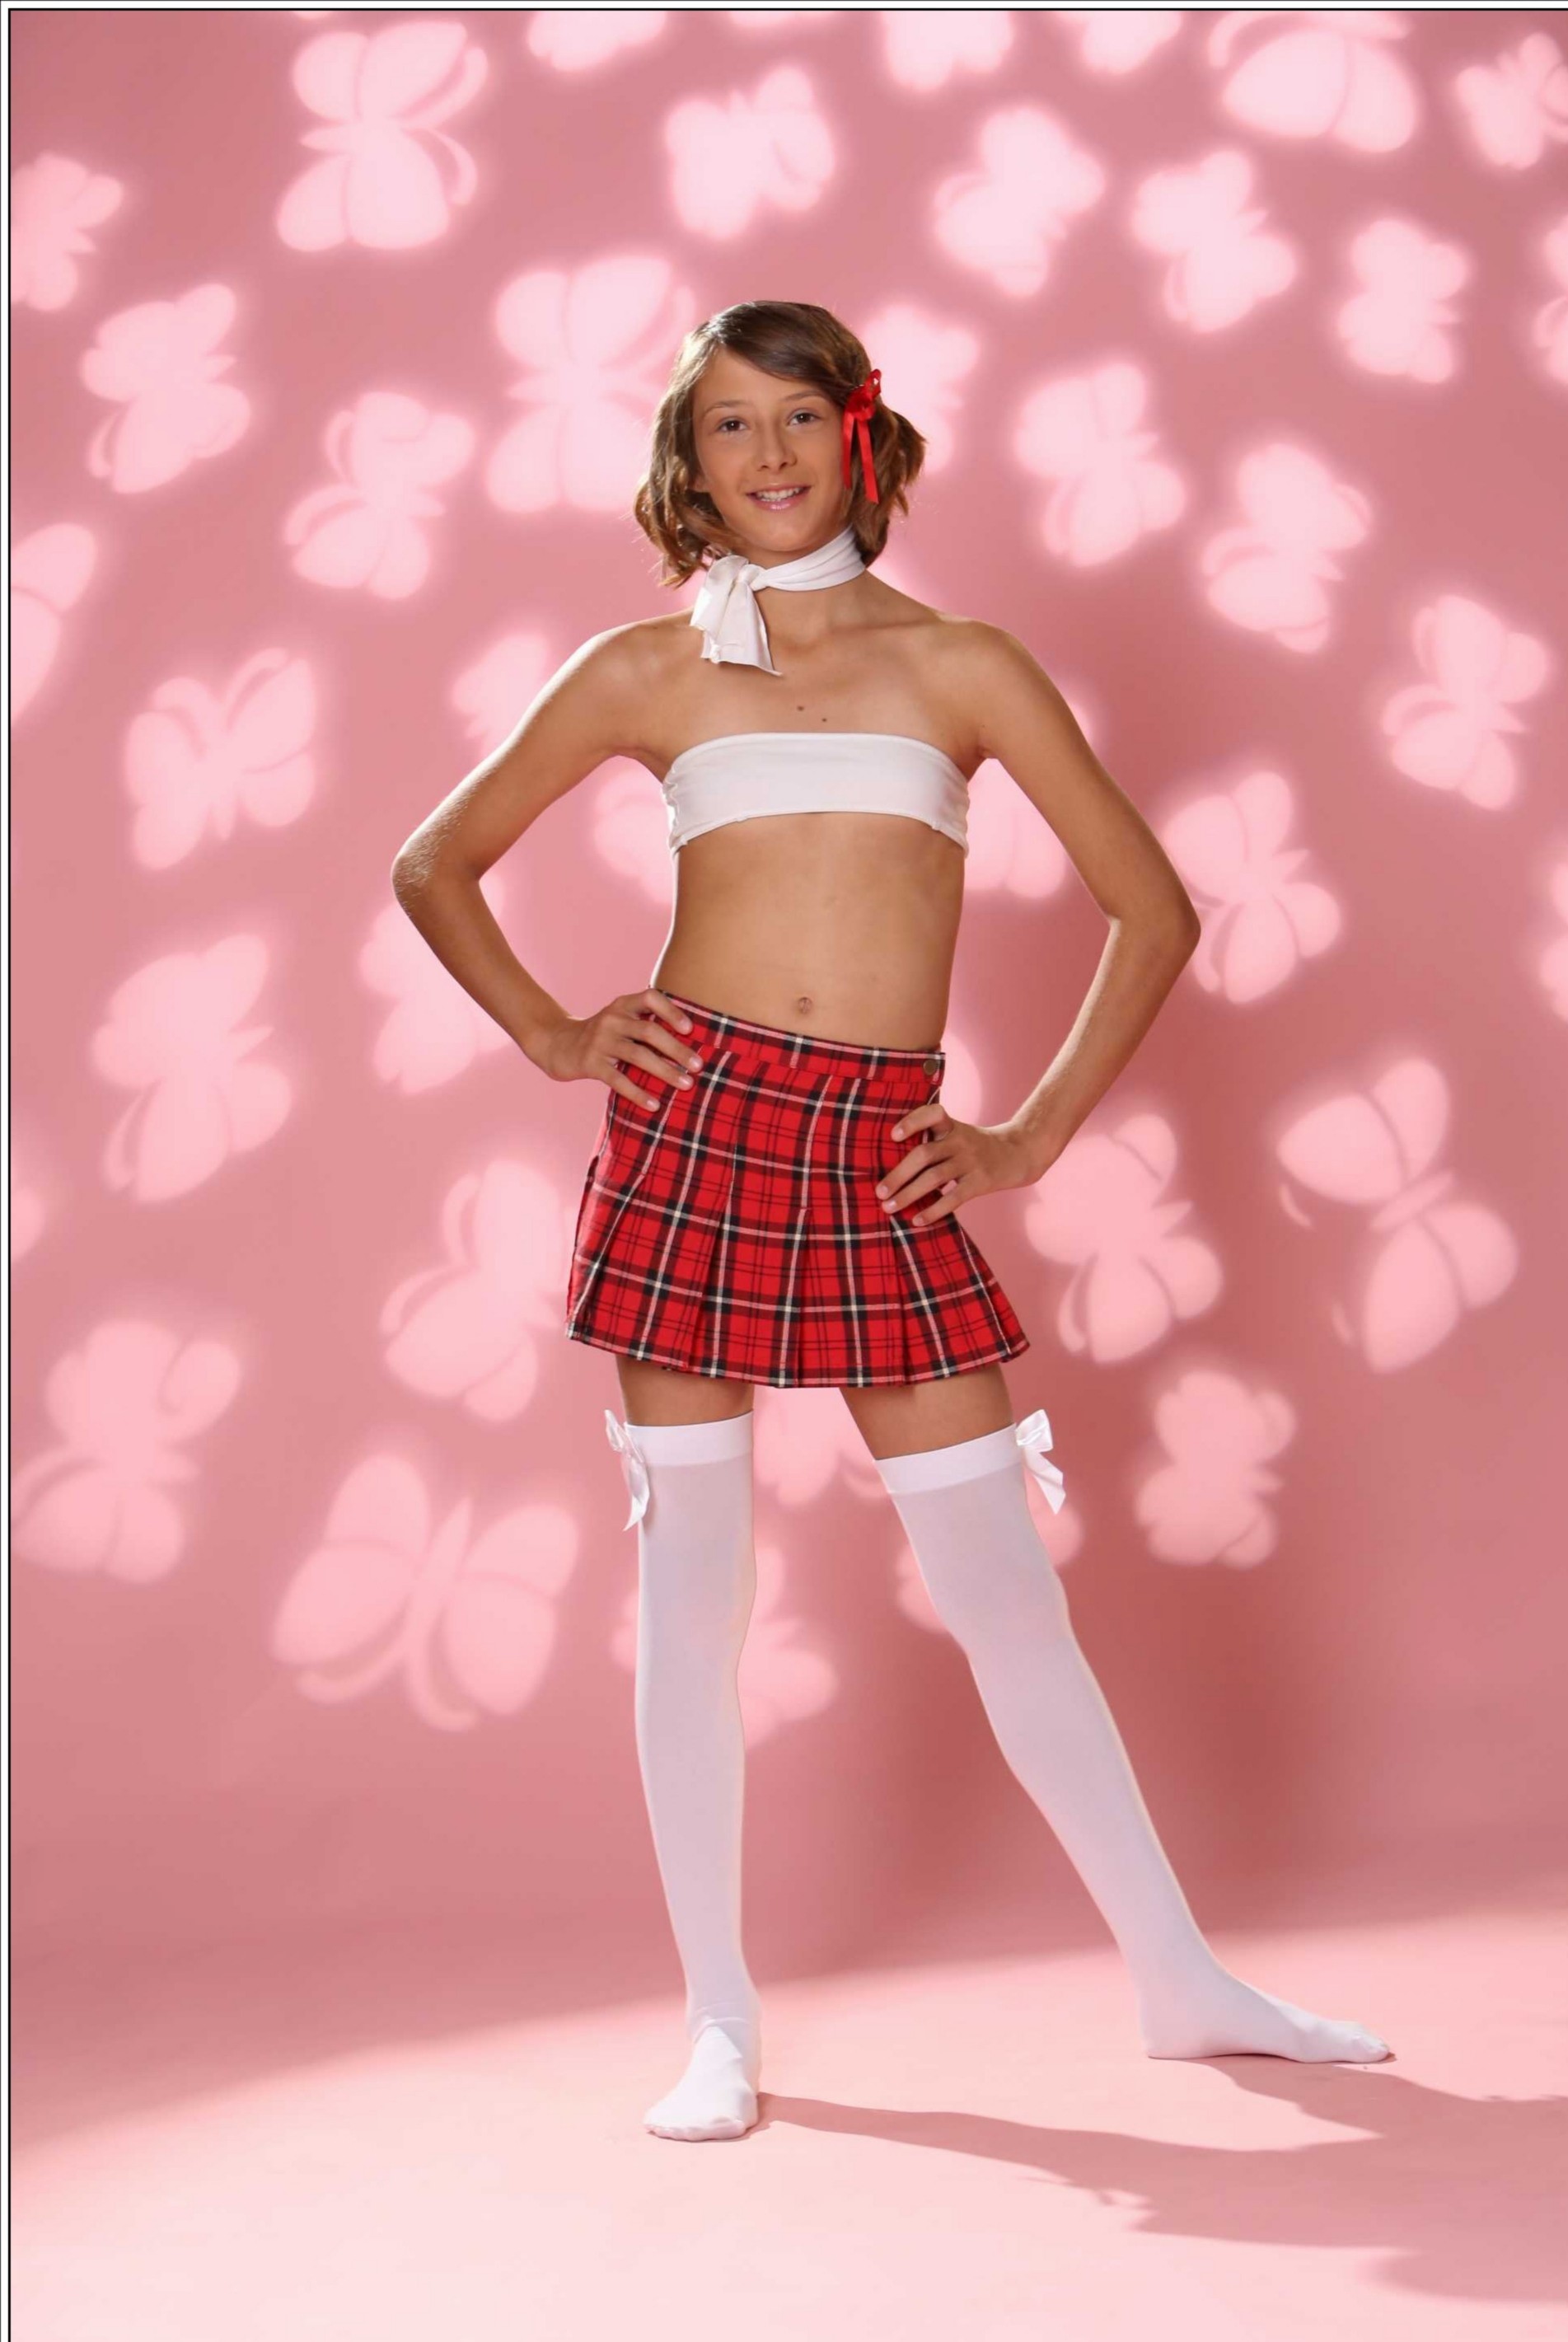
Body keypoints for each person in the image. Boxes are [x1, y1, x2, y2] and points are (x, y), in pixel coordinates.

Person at [391, 300, 1392, 2144]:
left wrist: (1021, 1138)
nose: (765, 455)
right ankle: (717, 2016)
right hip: (693, 1140)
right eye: (727, 426)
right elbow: (431, 860)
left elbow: (1154, 908)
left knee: (1007, 1589)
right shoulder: (642, 670)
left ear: (860, 434)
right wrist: (554, 1030)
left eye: (796, 416)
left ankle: (1179, 1974)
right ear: (687, 463)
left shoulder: (964, 666)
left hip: (874, 1156)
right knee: (694, 1595)